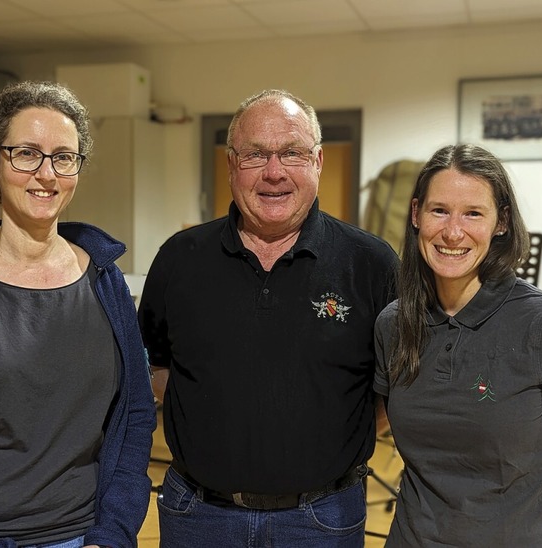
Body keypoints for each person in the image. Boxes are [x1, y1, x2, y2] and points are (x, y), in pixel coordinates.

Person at [138, 89, 399, 547]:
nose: (274, 172)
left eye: (292, 153)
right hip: (198, 515)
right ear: (231, 164)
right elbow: (158, 367)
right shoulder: (180, 258)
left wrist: (324, 438)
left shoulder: (372, 263)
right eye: (255, 154)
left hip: (322, 520)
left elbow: (390, 390)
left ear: (317, 161)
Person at [0, 81, 156, 548]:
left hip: (88, 538)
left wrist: (110, 535)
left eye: (63, 157)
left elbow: (134, 416)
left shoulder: (105, 280)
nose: (46, 174)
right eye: (26, 153)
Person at [373, 144, 542, 546]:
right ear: (415, 215)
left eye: (473, 213)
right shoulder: (393, 325)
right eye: (439, 210)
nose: (453, 232)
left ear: (501, 223)